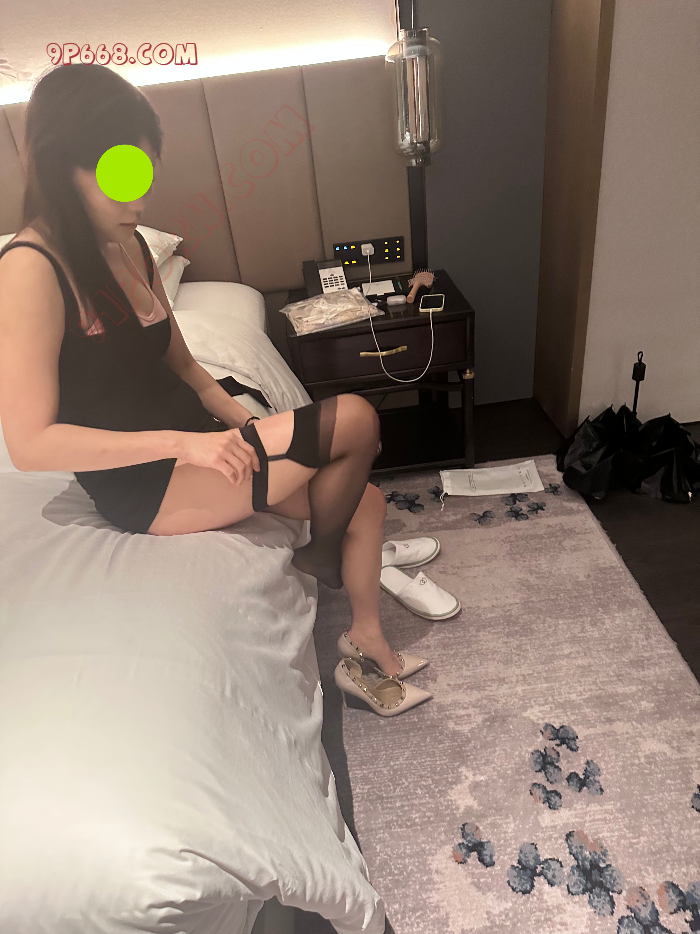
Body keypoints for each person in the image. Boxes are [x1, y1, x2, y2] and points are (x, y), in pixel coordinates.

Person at [0, 62, 421, 689]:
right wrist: (186, 445)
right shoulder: (30, 268)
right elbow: (29, 445)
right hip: (144, 481)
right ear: (64, 166)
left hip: (198, 437)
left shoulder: (132, 246)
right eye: (119, 180)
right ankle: (320, 556)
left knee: (367, 502)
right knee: (355, 419)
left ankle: (365, 640)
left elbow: (190, 370)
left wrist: (253, 428)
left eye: (143, 177)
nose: (138, 202)